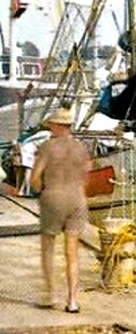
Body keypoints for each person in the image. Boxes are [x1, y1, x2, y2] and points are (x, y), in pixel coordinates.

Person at [30, 107, 90, 313]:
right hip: (77, 199)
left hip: (54, 197)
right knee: (72, 252)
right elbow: (86, 176)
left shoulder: (47, 147)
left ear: (56, 126)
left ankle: (50, 295)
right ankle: (72, 301)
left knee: (48, 247)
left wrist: (41, 191)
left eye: (50, 125)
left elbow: (35, 178)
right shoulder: (81, 147)